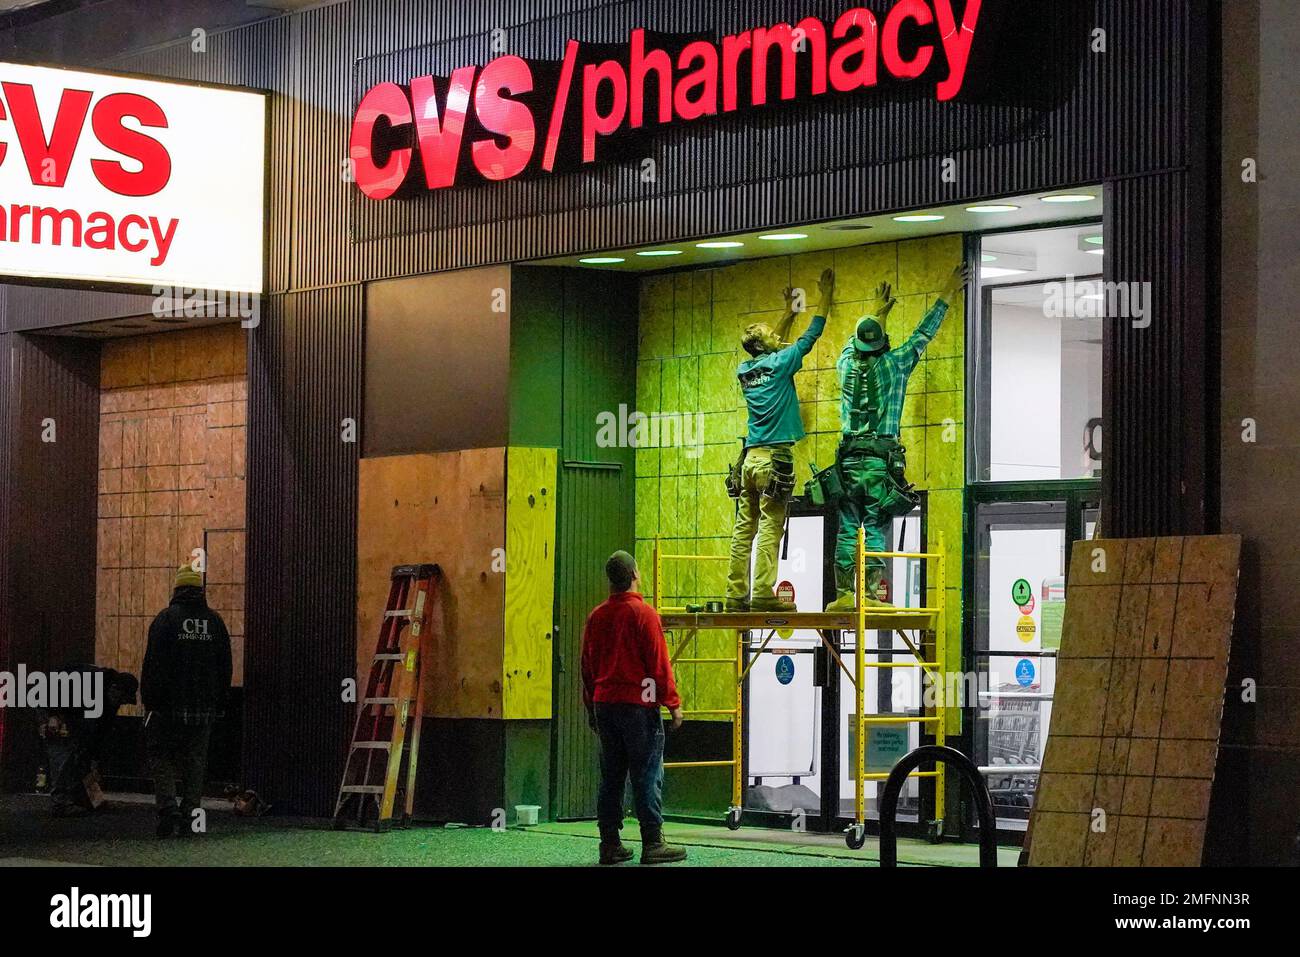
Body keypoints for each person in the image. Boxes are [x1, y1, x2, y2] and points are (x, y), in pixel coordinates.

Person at [826, 264, 969, 611]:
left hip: (846, 462)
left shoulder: (845, 364)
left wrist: (877, 311)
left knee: (847, 528)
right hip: (879, 462)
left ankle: (845, 595)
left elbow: (857, 341)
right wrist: (948, 290)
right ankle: (870, 594)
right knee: (874, 525)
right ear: (883, 344)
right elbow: (923, 334)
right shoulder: (895, 365)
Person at [724, 268, 835, 612]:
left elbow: (771, 347)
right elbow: (812, 334)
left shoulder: (746, 371)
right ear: (765, 345)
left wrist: (787, 314)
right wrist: (825, 296)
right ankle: (762, 593)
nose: (778, 336)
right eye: (772, 334)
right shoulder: (783, 362)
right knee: (772, 526)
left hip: (749, 458)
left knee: (745, 529)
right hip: (775, 460)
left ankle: (735, 594)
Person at [581, 550, 687, 865]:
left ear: (611, 580)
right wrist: (673, 704)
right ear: (635, 575)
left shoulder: (596, 616)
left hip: (605, 703)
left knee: (611, 776)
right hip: (638, 707)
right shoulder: (645, 615)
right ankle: (653, 842)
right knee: (646, 773)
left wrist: (591, 706)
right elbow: (658, 665)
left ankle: (610, 844)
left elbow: (587, 666)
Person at [141, 564, 232, 838]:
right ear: (200, 590)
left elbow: (153, 664)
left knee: (162, 756)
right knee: (195, 760)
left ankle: (168, 810)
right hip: (204, 707)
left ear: (177, 589)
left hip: (167, 707)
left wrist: (150, 700)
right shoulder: (214, 622)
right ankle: (191, 813)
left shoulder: (165, 619)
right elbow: (224, 666)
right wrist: (220, 701)